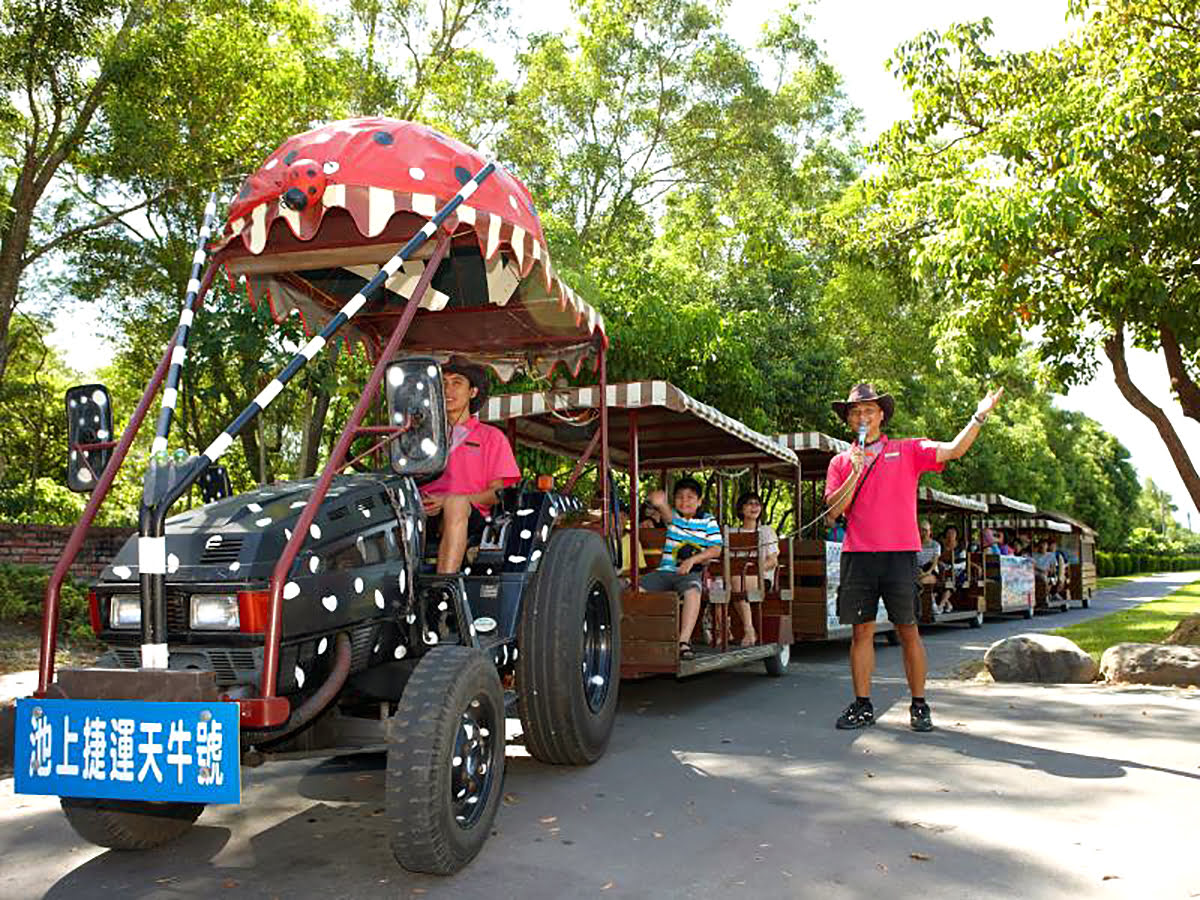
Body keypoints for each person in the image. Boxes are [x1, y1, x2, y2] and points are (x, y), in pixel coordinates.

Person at [824, 381, 1003, 733]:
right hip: (859, 554)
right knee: (861, 632)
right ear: (849, 419)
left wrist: (979, 416)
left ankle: (919, 704)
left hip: (901, 554)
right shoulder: (841, 462)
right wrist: (855, 471)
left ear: (881, 417)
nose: (862, 417)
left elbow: (953, 450)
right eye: (856, 412)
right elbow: (833, 512)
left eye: (869, 411)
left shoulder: (907, 450)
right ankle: (862, 705)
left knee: (908, 629)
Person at [420, 356, 521, 574]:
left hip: (472, 516)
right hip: (421, 512)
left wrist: (449, 501)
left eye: (457, 383)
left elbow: (498, 493)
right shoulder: (419, 437)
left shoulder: (491, 437)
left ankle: (444, 586)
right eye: (443, 383)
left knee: (455, 505)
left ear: (472, 392)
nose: (448, 390)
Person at [642, 478, 723, 660]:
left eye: (690, 497)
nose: (684, 501)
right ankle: (640, 638)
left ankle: (683, 642)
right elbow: (665, 512)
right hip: (664, 572)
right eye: (679, 497)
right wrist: (659, 502)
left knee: (693, 591)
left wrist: (693, 560)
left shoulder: (708, 521)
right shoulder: (674, 518)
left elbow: (716, 549)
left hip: (690, 574)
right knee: (635, 590)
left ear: (700, 501)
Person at [728, 490, 780, 647]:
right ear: (740, 509)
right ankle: (722, 630)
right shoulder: (731, 532)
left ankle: (749, 630)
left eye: (757, 504)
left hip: (761, 578)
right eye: (749, 503)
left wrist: (752, 571)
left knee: (735, 582)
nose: (754, 507)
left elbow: (772, 561)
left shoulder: (766, 531)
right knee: (724, 584)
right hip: (735, 577)